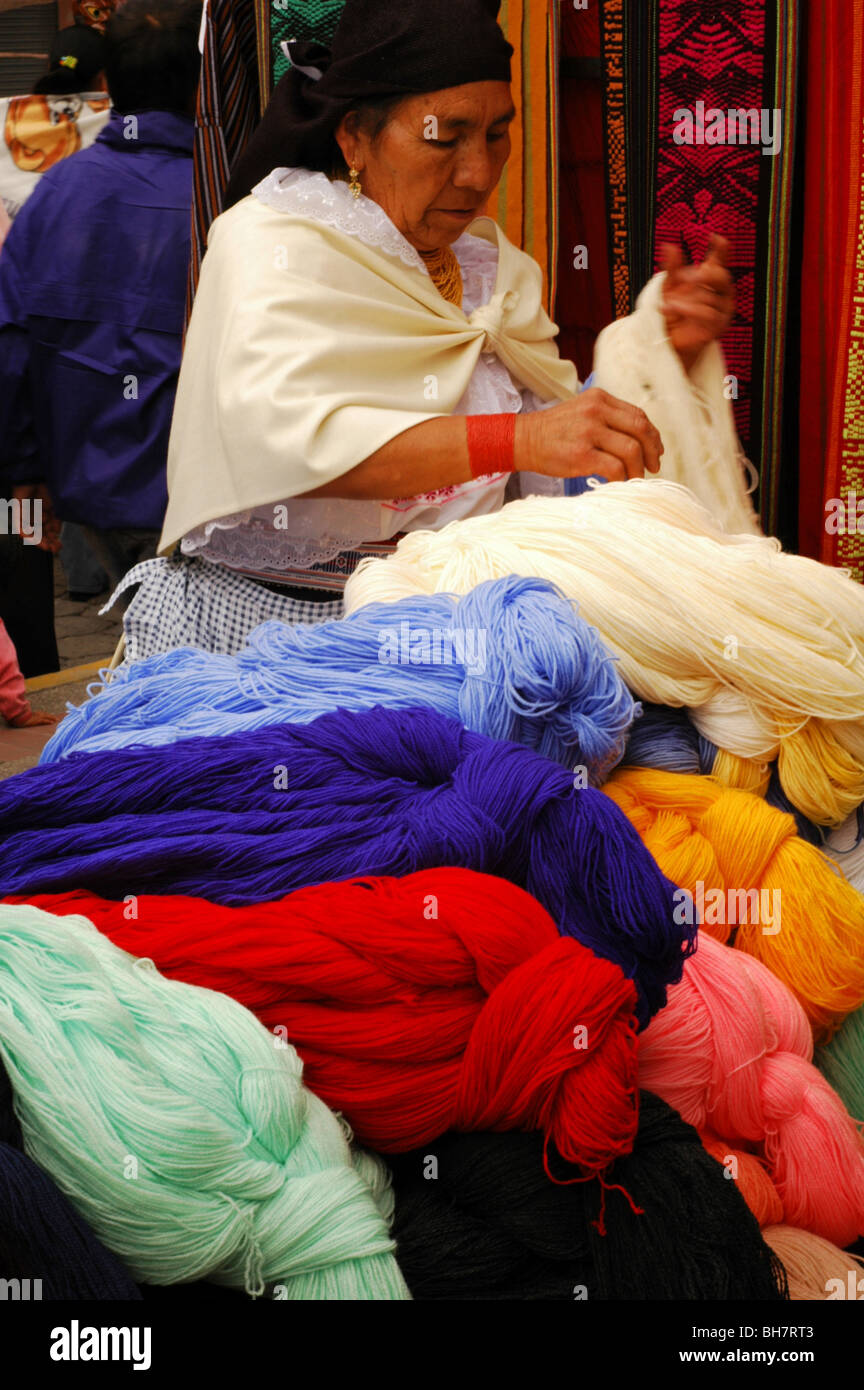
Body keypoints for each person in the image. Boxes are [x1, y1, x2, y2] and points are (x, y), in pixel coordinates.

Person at [154, 0, 753, 630]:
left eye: (497, 135)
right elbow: (279, 443)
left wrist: (660, 350)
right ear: (354, 135)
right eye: (445, 136)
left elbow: (549, 450)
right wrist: (519, 440)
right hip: (283, 633)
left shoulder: (490, 271)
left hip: (463, 615)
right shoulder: (272, 244)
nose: (477, 174)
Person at [0, 0, 201, 597]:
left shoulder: (55, 191)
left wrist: (23, 470)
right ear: (203, 82)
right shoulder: (225, 196)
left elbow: (12, 345)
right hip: (204, 497)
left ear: (107, 83)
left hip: (90, 491)